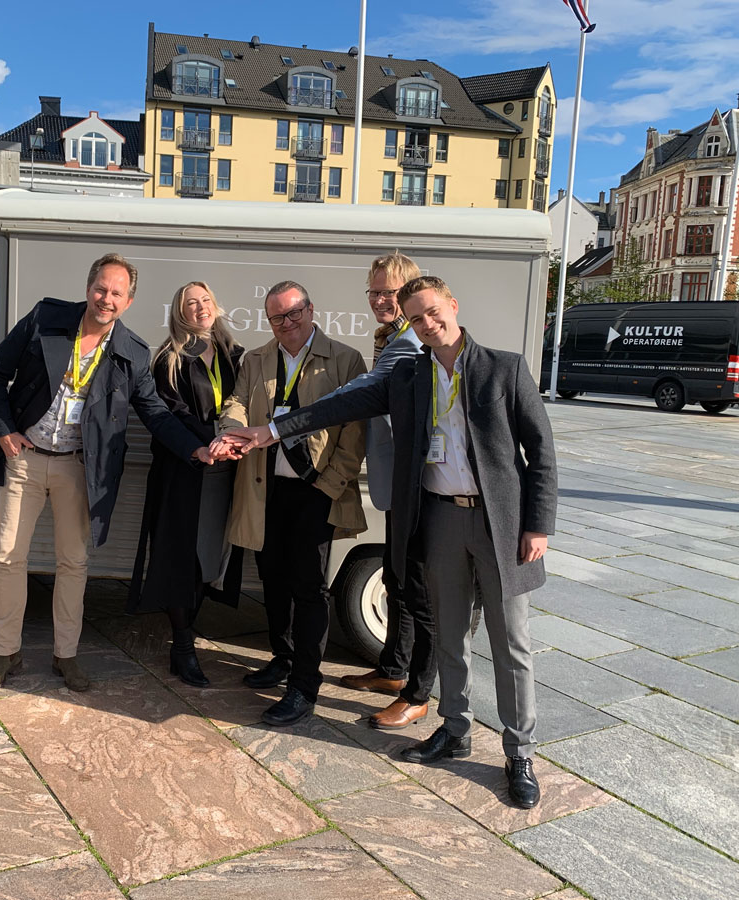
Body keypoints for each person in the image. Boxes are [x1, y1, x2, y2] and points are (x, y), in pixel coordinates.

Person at [221, 274, 556, 809]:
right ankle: (455, 728)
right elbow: (336, 405)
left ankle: (519, 752)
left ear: (452, 305)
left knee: (509, 641)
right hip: (438, 518)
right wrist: (270, 433)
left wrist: (537, 524)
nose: (428, 324)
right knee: (448, 633)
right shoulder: (409, 374)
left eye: (433, 312)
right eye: (417, 318)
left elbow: (540, 452)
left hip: (500, 523)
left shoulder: (504, 368)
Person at [0, 253, 220, 694]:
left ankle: (65, 655)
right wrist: (4, 431)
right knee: (9, 558)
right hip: (25, 459)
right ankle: (4, 653)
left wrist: (195, 448)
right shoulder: (46, 318)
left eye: (116, 293)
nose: (106, 299)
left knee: (74, 563)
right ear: (89, 288)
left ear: (129, 301)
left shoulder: (131, 353)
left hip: (78, 469)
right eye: (101, 289)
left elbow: (156, 413)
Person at [215, 281, 367, 727]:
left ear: (310, 309)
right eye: (278, 317)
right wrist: (231, 428)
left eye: (294, 313)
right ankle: (281, 658)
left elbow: (354, 430)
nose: (288, 323)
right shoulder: (258, 359)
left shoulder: (345, 359)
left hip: (315, 492)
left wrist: (331, 485)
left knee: (308, 589)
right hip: (266, 489)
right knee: (272, 580)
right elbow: (238, 402)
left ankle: (304, 685)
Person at [321, 252, 436, 732]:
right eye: (373, 292)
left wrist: (289, 420)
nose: (379, 301)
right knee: (395, 578)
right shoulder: (389, 337)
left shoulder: (406, 341)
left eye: (389, 292)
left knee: (417, 591)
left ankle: (418, 694)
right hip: (396, 484)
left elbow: (368, 389)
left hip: (420, 488)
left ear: (409, 294)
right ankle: (392, 671)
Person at [129, 281, 245, 687]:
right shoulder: (168, 359)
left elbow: (244, 403)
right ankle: (182, 647)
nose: (200, 308)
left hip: (224, 473)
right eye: (190, 303)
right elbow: (170, 415)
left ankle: (187, 636)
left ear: (215, 305)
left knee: (209, 561)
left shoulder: (234, 355)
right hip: (183, 471)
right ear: (179, 312)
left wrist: (230, 441)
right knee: (182, 561)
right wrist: (211, 441)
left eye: (205, 300)